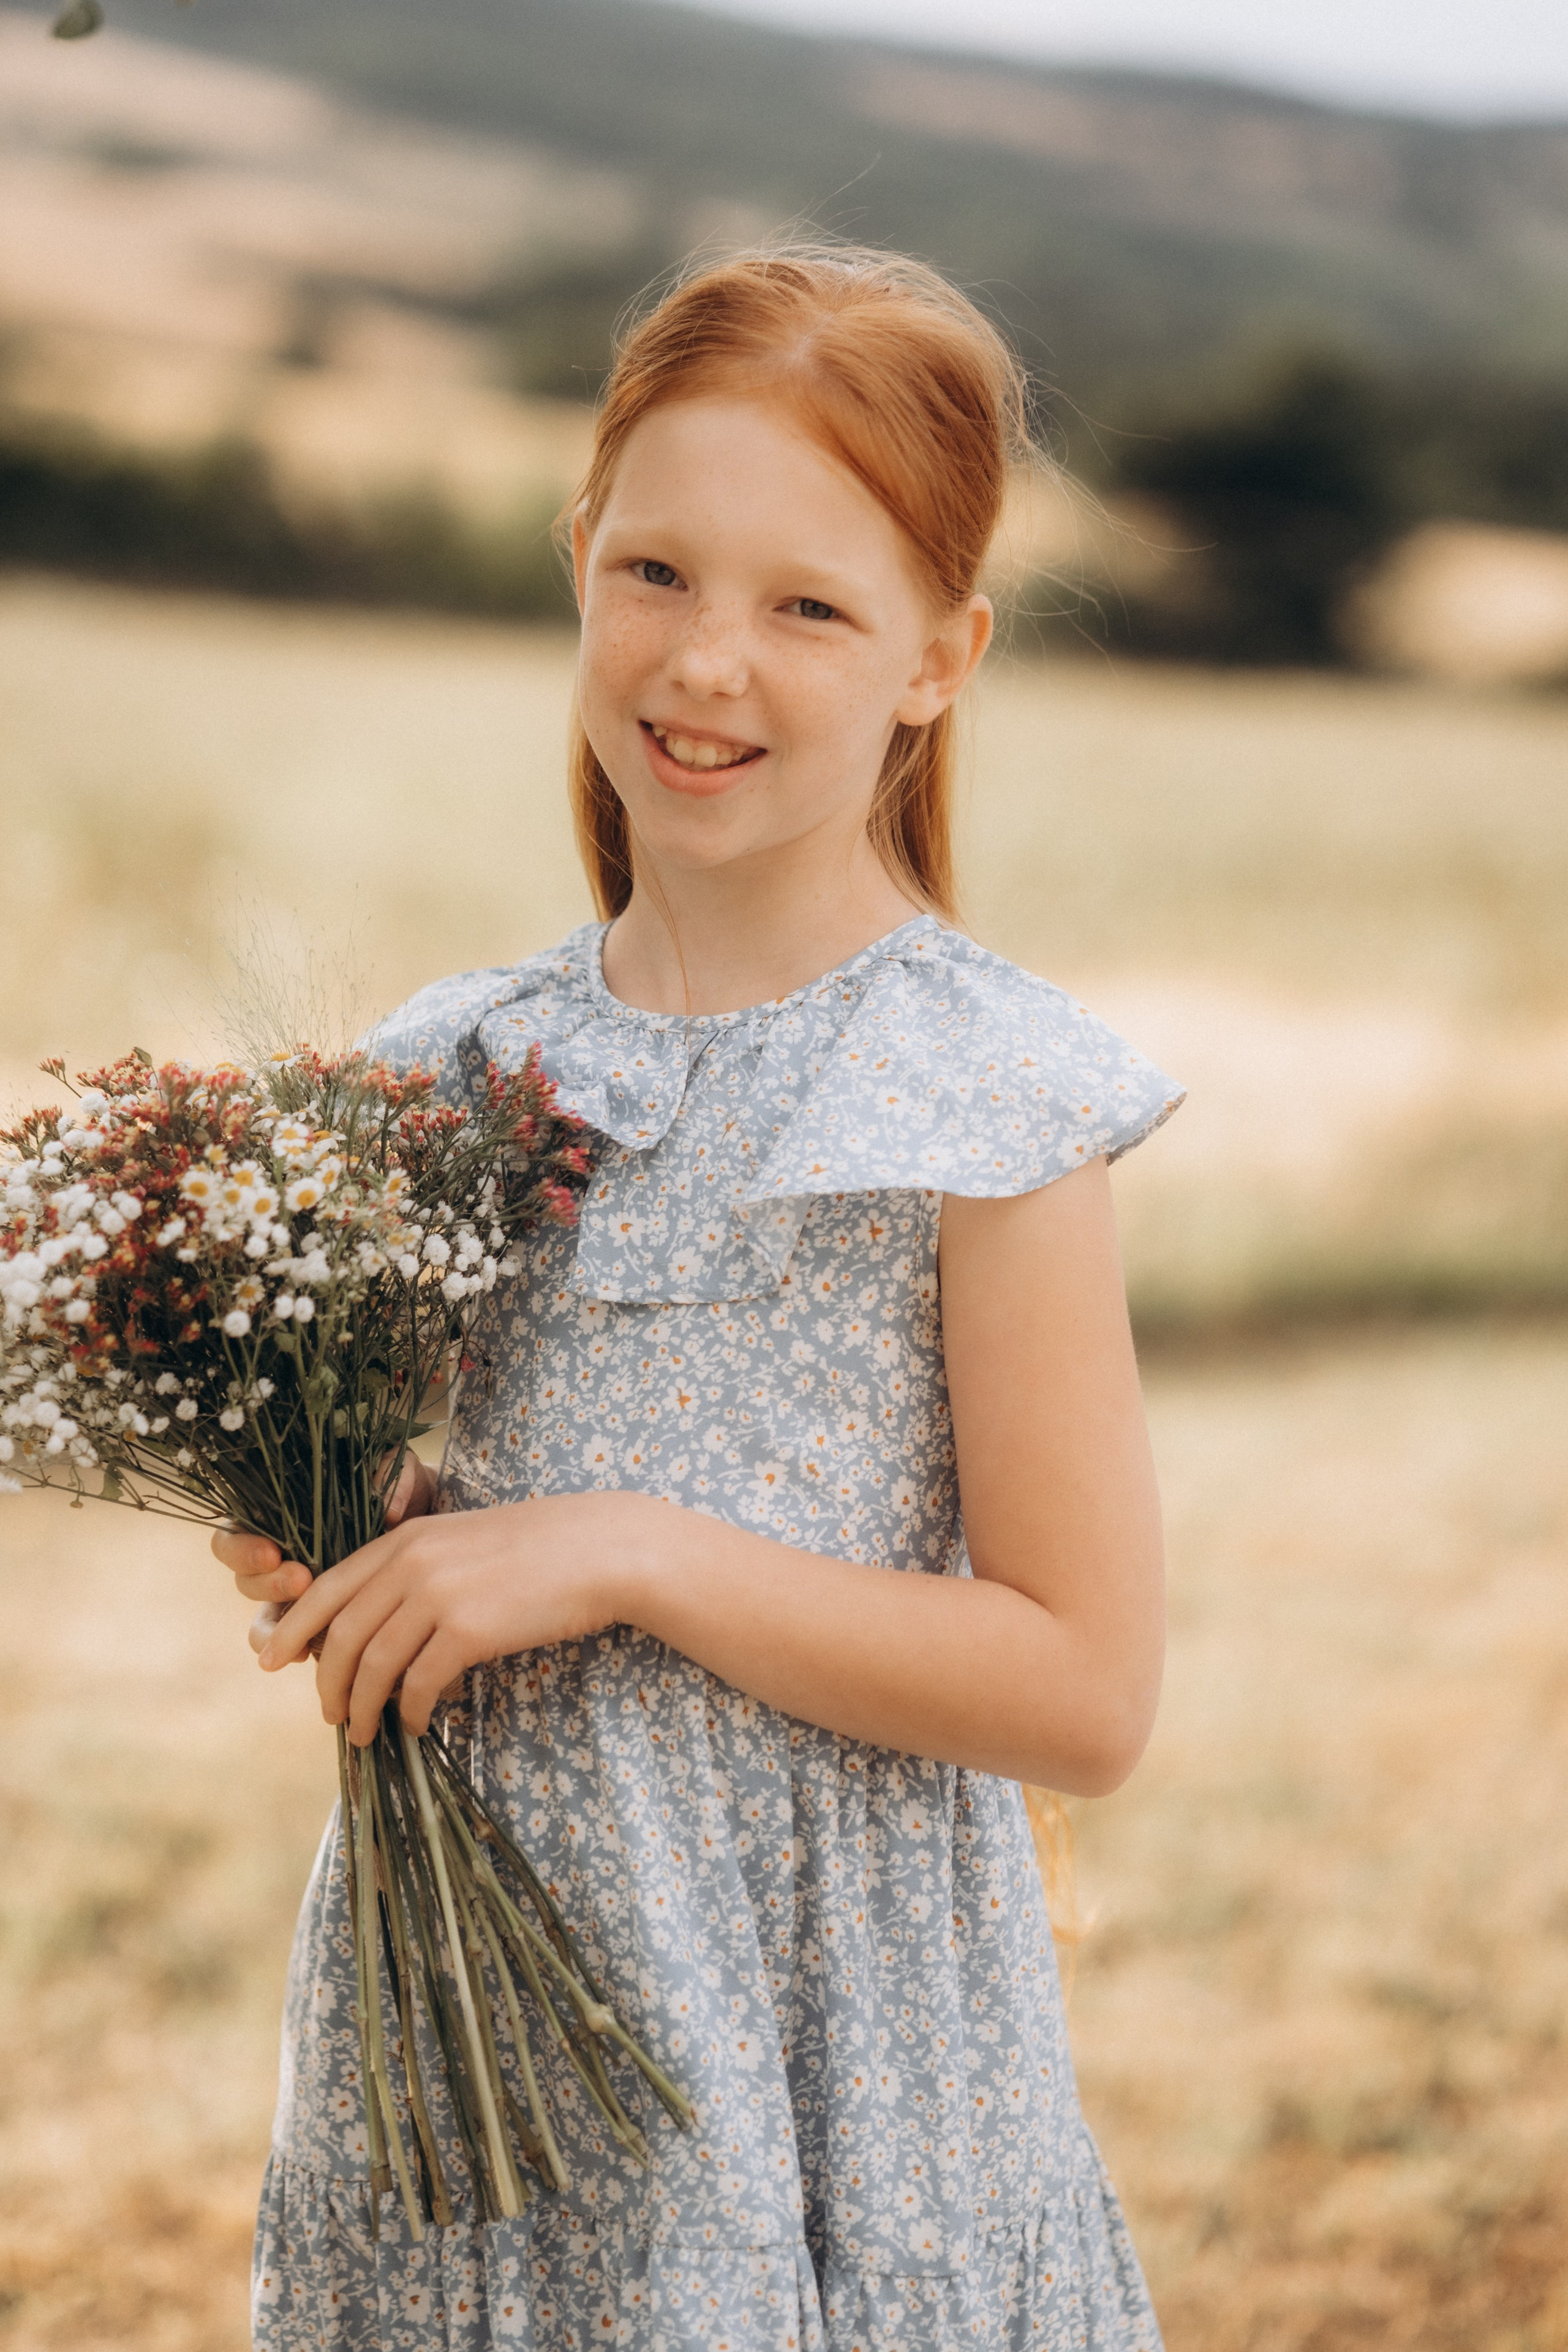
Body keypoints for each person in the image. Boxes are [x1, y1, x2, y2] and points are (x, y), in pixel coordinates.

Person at [217, 246, 1183, 2352]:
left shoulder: (984, 1100)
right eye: (656, 570)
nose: (707, 663)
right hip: (479, 2055)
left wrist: (628, 1553)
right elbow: (410, 1544)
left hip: (839, 2060)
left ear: (943, 658)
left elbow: (1085, 1692)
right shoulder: (446, 1073)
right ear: (579, 560)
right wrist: (329, 1541)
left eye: (809, 607)